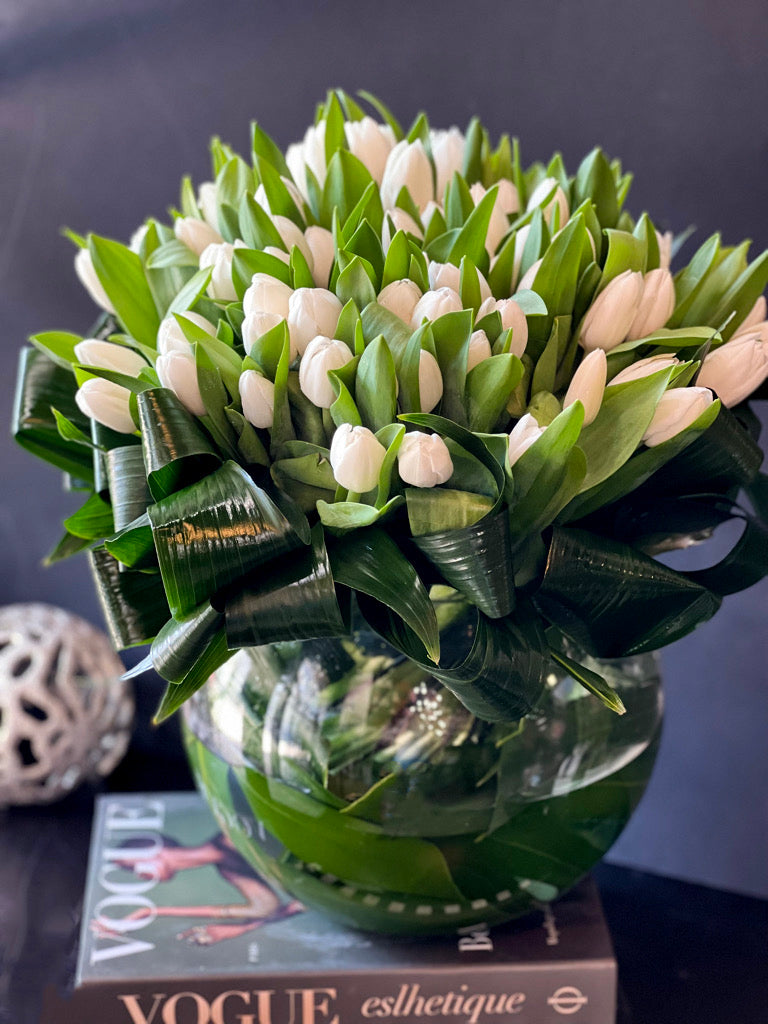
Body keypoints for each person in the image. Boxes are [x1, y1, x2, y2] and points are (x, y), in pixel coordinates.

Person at [94, 832, 303, 946]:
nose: (139, 874)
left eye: (132, 866)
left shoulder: (231, 837)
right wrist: (151, 911)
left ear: (156, 849)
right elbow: (267, 909)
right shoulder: (227, 870)